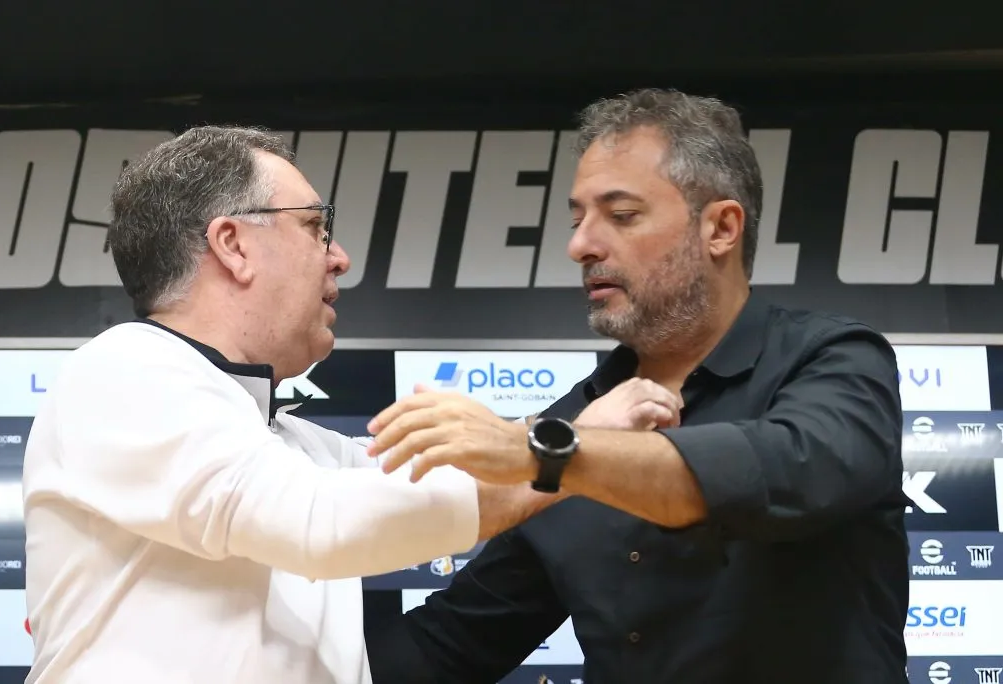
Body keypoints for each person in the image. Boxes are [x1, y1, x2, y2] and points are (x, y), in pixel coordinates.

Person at [364, 89, 910, 684]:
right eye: (577, 220)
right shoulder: (577, 422)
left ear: (721, 229)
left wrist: (545, 452)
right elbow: (456, 640)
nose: (581, 246)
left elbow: (782, 473)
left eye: (621, 216)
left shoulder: (834, 360)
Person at [20, 126, 562, 684]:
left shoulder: (293, 444)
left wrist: (588, 437)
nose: (340, 257)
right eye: (314, 227)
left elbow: (439, 483)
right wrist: (569, 460)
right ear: (233, 245)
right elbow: (320, 521)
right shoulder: (124, 371)